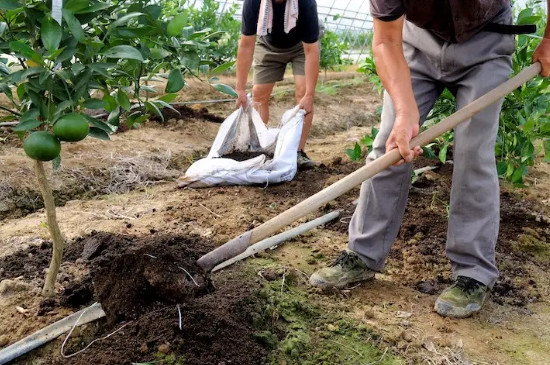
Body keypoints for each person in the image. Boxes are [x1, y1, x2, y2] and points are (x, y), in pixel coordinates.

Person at [309, 0, 550, 318]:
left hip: (487, 40)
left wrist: (548, 40)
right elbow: (385, 40)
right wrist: (405, 109)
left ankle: (473, 273)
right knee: (390, 147)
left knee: (472, 153)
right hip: (416, 43)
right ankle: (362, 254)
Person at [235, 0, 321, 169]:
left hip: (300, 47)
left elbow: (311, 50)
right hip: (268, 44)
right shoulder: (254, 2)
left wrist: (310, 95)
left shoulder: (306, 3)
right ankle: (260, 148)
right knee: (259, 93)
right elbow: (246, 44)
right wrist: (239, 88)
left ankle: (298, 152)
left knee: (303, 92)